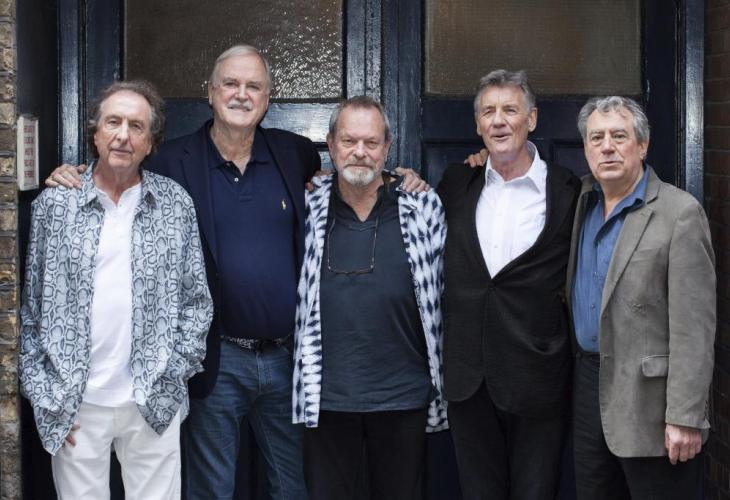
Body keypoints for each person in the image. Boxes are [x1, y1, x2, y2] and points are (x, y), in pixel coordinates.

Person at [46, 44, 427, 499]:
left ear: (268, 98)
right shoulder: (171, 162)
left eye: (253, 86)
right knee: (213, 489)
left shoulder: (293, 153)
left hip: (287, 359)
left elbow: (353, 171)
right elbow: (118, 169)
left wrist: (401, 178)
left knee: (294, 486)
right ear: (210, 92)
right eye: (230, 83)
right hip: (217, 360)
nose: (241, 94)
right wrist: (75, 175)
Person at [19, 80, 213, 499]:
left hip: (152, 400)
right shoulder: (56, 206)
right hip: (75, 403)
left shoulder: (175, 204)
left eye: (136, 126)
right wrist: (46, 394)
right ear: (95, 134)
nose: (123, 135)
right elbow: (31, 309)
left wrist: (172, 378)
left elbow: (197, 302)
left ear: (151, 142)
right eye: (113, 122)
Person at [292, 95, 448, 499]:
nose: (360, 152)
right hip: (326, 398)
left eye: (371, 142)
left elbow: (449, 287)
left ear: (387, 147)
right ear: (331, 145)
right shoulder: (306, 204)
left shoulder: (422, 205)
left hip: (403, 396)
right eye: (349, 141)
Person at [437, 69, 580, 499]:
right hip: (469, 378)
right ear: (478, 125)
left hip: (537, 376)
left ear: (531, 119)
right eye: (488, 112)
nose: (498, 121)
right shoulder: (456, 183)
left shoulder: (568, 191)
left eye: (510, 110)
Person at [568, 96, 715, 499]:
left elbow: (695, 328)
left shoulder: (679, 213)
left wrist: (685, 416)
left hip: (652, 403)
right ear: (585, 149)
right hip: (588, 388)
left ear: (643, 145)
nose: (607, 147)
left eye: (619, 136)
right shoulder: (581, 201)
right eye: (596, 138)